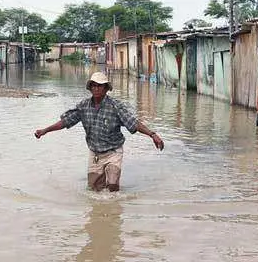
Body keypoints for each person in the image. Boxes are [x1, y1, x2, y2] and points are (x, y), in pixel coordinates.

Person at [34, 72, 164, 192]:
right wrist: (45, 130)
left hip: (113, 151)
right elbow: (65, 121)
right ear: (90, 88)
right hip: (95, 153)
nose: (96, 89)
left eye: (100, 86)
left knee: (112, 185)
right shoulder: (84, 106)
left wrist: (152, 134)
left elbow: (133, 123)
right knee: (94, 190)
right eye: (93, 86)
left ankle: (113, 212)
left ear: (106, 89)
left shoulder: (115, 106)